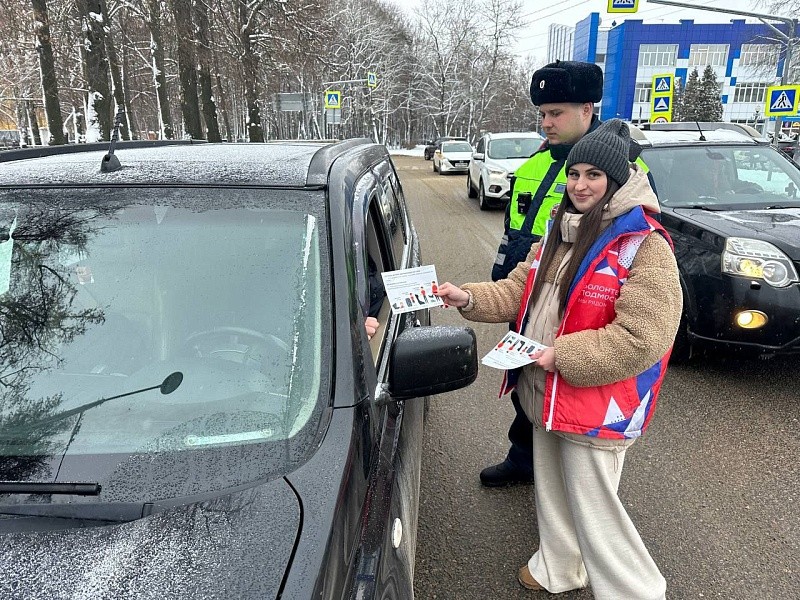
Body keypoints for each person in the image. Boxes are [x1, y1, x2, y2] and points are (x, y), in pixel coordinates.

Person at [436, 119, 682, 598]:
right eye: (575, 174)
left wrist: (561, 356)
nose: (580, 185)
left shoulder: (643, 245)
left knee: (597, 513)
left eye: (594, 175)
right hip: (545, 393)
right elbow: (517, 291)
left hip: (595, 401)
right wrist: (465, 297)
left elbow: (643, 336)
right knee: (553, 494)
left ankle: (636, 590)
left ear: (617, 180)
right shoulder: (557, 231)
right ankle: (560, 568)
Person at [484, 60, 611, 487]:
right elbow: (516, 234)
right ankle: (525, 458)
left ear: (588, 109)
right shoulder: (537, 164)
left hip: (575, 305)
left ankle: (569, 477)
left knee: (569, 390)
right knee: (525, 383)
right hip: (526, 297)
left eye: (555, 113)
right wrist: (503, 286)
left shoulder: (613, 169)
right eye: (542, 113)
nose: (546, 123)